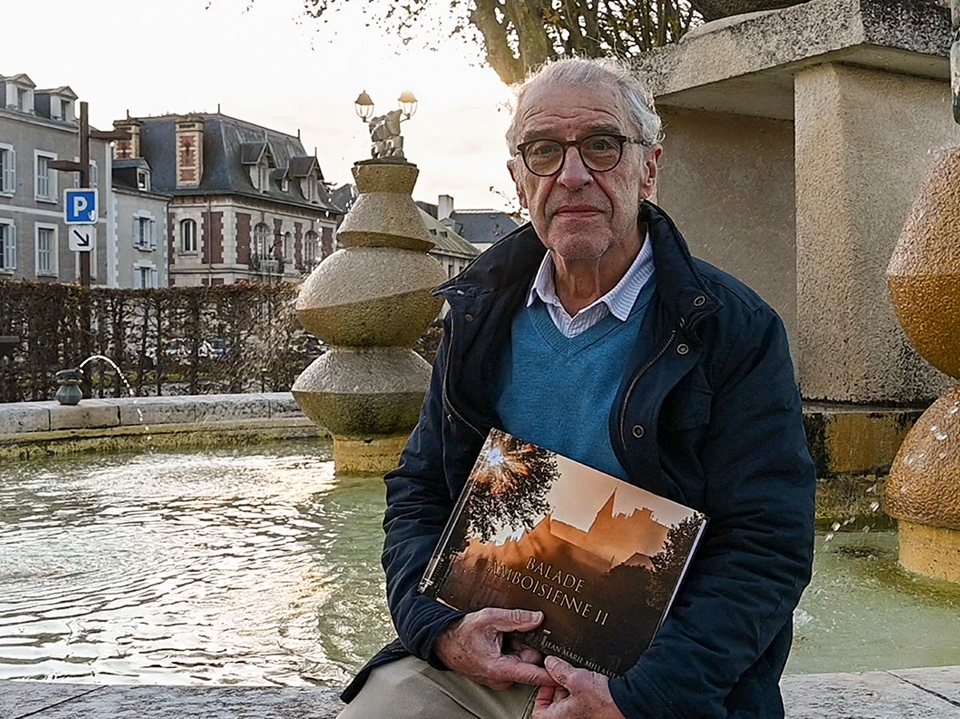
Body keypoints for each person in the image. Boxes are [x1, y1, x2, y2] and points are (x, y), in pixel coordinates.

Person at [338, 57, 816, 719]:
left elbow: (768, 545)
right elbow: (419, 490)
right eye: (544, 151)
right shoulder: (479, 316)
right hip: (493, 659)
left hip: (656, 676)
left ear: (648, 167)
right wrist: (441, 631)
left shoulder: (732, 329)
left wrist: (641, 695)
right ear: (517, 178)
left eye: (601, 145)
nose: (572, 175)